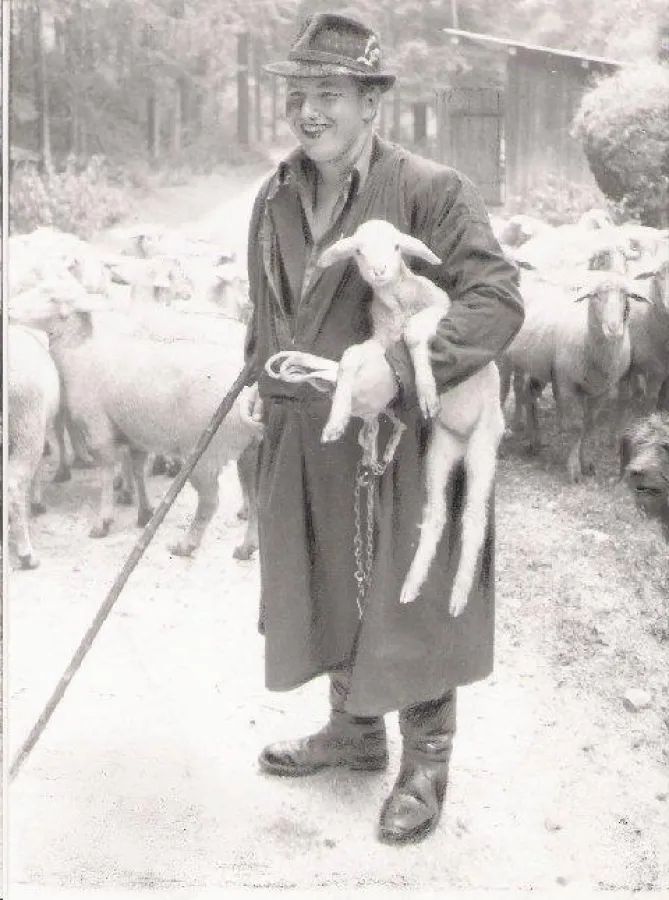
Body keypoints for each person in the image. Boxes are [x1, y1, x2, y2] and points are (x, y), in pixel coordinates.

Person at [239, 11, 524, 845]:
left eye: (328, 93)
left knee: (415, 588)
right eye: (297, 94)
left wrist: (398, 370)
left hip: (407, 435)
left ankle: (426, 761)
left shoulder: (432, 190)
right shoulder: (274, 194)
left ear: (372, 103)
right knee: (325, 576)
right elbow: (271, 304)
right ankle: (353, 732)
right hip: (309, 431)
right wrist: (258, 372)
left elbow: (497, 300)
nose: (308, 111)